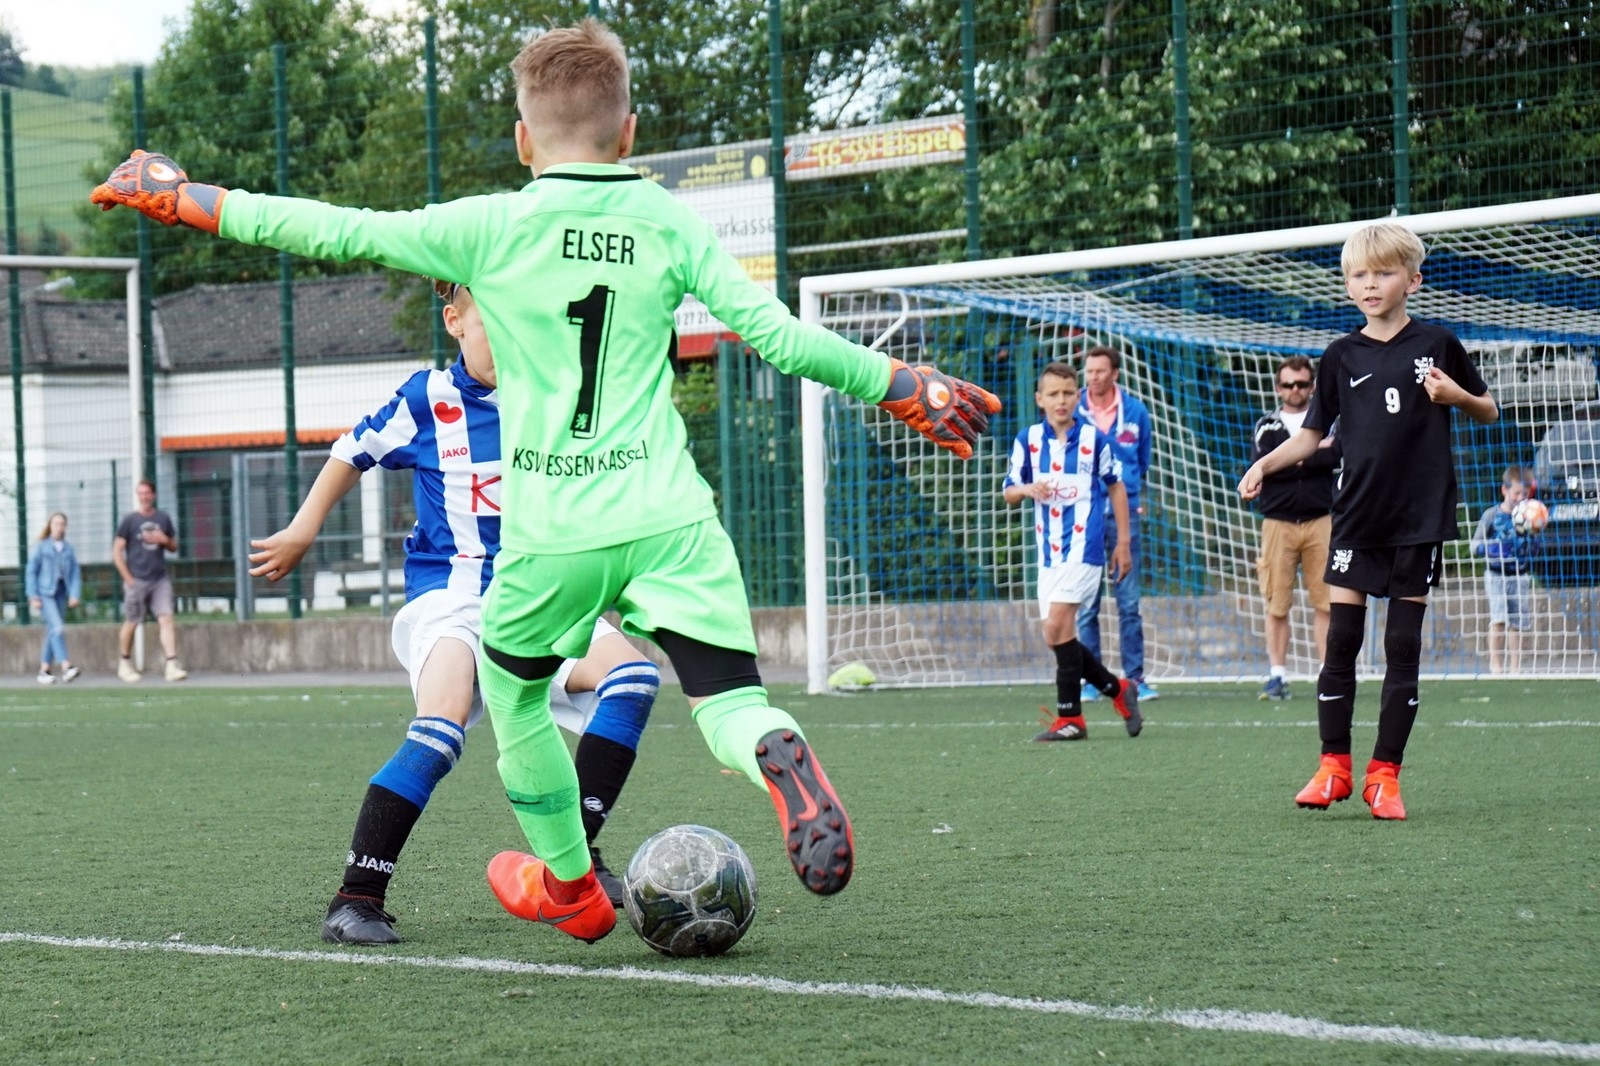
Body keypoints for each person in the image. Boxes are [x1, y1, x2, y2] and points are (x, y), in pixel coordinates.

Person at [92, 18, 1000, 943]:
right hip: (670, 517)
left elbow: (334, 228)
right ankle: (770, 747)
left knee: (517, 697)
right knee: (727, 698)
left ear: (523, 140)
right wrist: (900, 383)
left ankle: (570, 885)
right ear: (630, 133)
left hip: (553, 534)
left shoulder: (492, 226)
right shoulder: (668, 219)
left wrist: (188, 198)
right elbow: (779, 336)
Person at [249, 279, 661, 945]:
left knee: (634, 679)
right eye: (491, 320)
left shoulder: (560, 397)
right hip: (452, 600)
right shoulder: (428, 399)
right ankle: (355, 898)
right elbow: (351, 451)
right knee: (440, 727)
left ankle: (572, 867)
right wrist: (302, 529)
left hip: (539, 594)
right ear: (454, 322)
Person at [1239, 221, 1498, 820]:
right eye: (1360, 274)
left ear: (1413, 280)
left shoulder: (1438, 343)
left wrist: (1455, 398)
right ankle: (1333, 767)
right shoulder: (1339, 355)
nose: (1371, 283)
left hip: (1419, 518)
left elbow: (1487, 408)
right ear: (1348, 285)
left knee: (1402, 644)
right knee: (1341, 641)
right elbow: (1311, 436)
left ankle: (1385, 777)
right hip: (1354, 515)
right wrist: (1264, 465)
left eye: (1384, 272)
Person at [1003, 362, 1141, 741]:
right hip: (1049, 554)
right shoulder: (1027, 440)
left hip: (1085, 548)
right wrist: (1027, 489)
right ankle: (1118, 689)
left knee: (1057, 626)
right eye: (1053, 394)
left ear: (1078, 396)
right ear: (1040, 399)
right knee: (1055, 636)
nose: (1061, 400)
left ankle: (1071, 719)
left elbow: (1116, 487)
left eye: (1067, 392)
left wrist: (1123, 542)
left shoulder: (1094, 440)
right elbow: (1009, 491)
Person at [1250, 355, 1342, 700]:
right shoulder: (1266, 425)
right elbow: (1264, 465)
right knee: (1277, 602)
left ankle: (1328, 674)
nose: (1295, 390)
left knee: (1327, 602)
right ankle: (1277, 675)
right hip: (1278, 523)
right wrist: (1310, 455)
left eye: (1302, 384)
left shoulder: (1328, 422)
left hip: (1321, 520)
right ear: (1278, 388)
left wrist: (1291, 458)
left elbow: (1334, 455)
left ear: (1312, 386)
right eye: (1288, 384)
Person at [1074, 345, 1159, 703]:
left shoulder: (1136, 411)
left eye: (1100, 371)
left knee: (1128, 602)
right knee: (1086, 604)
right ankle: (1091, 681)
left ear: (1115, 374)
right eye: (1089, 371)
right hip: (1084, 517)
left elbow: (1141, 461)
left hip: (1124, 517)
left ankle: (1135, 679)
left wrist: (1130, 498)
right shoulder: (1072, 410)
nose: (1093, 377)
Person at [112, 478, 187, 683]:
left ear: (153, 495)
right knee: (132, 621)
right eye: (141, 493)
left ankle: (171, 664)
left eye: (147, 493)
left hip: (159, 579)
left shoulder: (163, 518)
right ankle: (124, 663)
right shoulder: (129, 521)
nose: (144, 497)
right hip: (137, 579)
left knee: (166, 618)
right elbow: (116, 551)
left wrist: (165, 540)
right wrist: (128, 578)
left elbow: (174, 546)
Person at [1469, 465, 1540, 675]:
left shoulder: (1530, 516)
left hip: (1519, 576)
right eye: (1516, 493)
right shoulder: (1491, 515)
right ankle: (1496, 666)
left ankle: (1515, 668)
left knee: (1517, 623)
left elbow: (1535, 550)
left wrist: (1534, 539)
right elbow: (1474, 545)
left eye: (1524, 494)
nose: (1520, 498)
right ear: (1504, 490)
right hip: (1495, 575)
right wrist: (1492, 549)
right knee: (1499, 619)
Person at [25, 511, 83, 685]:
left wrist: (74, 594)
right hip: (45, 594)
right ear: (50, 526)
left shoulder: (68, 549)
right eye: (56, 524)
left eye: (62, 524)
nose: (59, 527)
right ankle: (66, 667)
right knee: (57, 628)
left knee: (52, 631)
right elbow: (31, 571)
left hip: (60, 593)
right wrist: (33, 596)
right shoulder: (42, 547)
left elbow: (75, 573)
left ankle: (44, 671)